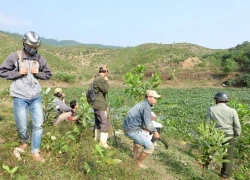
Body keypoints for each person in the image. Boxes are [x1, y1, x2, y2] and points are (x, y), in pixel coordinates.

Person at [0, 31, 52, 162]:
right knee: (22, 125)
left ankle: (35, 151)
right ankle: (24, 141)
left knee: (38, 124)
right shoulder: (15, 56)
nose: (33, 49)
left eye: (36, 47)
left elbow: (48, 74)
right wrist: (17, 73)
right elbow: (2, 71)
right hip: (20, 97)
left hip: (35, 97)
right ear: (24, 43)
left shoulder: (39, 59)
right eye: (31, 46)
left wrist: (38, 73)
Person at [205, 92, 241, 180]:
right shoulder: (233, 111)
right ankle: (225, 176)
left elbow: (207, 123)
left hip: (215, 134)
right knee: (228, 156)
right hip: (229, 135)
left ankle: (204, 164)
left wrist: (207, 134)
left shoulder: (211, 109)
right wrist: (236, 135)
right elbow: (237, 126)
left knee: (209, 150)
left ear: (216, 100)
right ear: (226, 101)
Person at [123, 90, 161, 168]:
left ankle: (135, 154)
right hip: (132, 130)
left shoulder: (142, 104)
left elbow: (142, 121)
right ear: (149, 98)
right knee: (150, 147)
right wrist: (155, 132)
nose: (156, 100)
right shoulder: (146, 106)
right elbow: (148, 123)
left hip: (129, 128)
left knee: (139, 140)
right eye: (155, 98)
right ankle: (138, 162)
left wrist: (145, 128)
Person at [92, 65, 110, 148]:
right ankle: (103, 143)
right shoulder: (99, 79)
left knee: (98, 122)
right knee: (105, 123)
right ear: (105, 72)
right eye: (107, 71)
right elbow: (105, 90)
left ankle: (97, 138)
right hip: (99, 104)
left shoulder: (97, 78)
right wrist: (106, 81)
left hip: (97, 103)